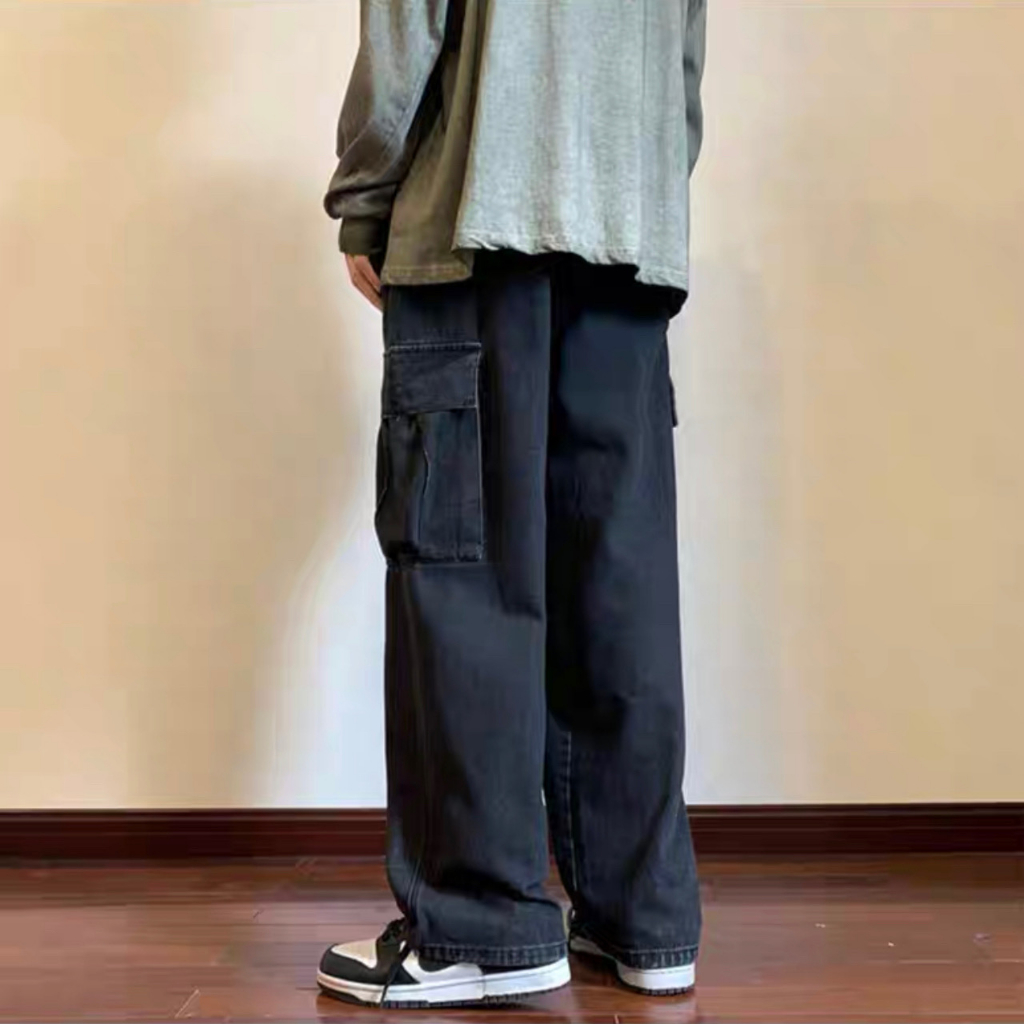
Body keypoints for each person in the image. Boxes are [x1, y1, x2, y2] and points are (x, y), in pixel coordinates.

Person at [316, 0, 707, 1009]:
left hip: (476, 226)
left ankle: (480, 927)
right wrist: (636, 191)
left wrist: (365, 201)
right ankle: (642, 917)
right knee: (614, 580)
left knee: (469, 579)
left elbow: (405, 32)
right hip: (630, 233)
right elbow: (684, 64)